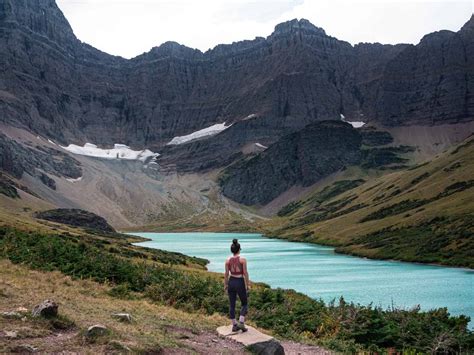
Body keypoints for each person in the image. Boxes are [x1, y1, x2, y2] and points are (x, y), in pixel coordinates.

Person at [224, 238, 250, 332]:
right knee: (244, 303)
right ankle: (241, 323)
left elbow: (226, 274)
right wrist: (248, 285)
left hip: (231, 281)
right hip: (239, 281)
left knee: (232, 304)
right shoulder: (243, 260)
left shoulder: (227, 261)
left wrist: (225, 285)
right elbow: (245, 273)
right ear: (239, 249)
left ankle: (234, 325)